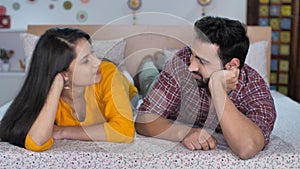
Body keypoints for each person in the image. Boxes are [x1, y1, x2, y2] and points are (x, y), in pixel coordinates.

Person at [135, 16, 276, 160]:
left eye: (202, 61)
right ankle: (149, 61)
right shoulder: (183, 60)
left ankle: (159, 58)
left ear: (232, 65)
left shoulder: (254, 89)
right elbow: (143, 120)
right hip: (156, 84)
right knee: (148, 78)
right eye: (193, 55)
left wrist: (217, 87)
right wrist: (184, 132)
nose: (191, 66)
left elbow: (246, 148)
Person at [0, 27, 138, 152]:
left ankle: (146, 66)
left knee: (146, 78)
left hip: (128, 91)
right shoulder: (50, 96)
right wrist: (55, 89)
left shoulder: (107, 72)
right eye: (85, 60)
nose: (98, 62)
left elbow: (125, 131)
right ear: (64, 74)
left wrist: (62, 131)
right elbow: (36, 142)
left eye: (93, 53)